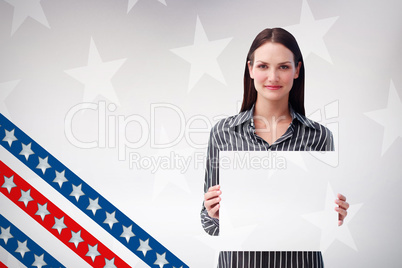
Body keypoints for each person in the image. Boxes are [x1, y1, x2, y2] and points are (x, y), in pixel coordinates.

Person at [200, 28, 349, 267]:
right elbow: (209, 226)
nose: (273, 77)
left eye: (283, 67)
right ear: (250, 69)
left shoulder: (320, 137)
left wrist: (334, 215)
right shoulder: (223, 133)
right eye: (262, 66)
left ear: (297, 70)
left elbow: (322, 223)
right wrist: (214, 213)